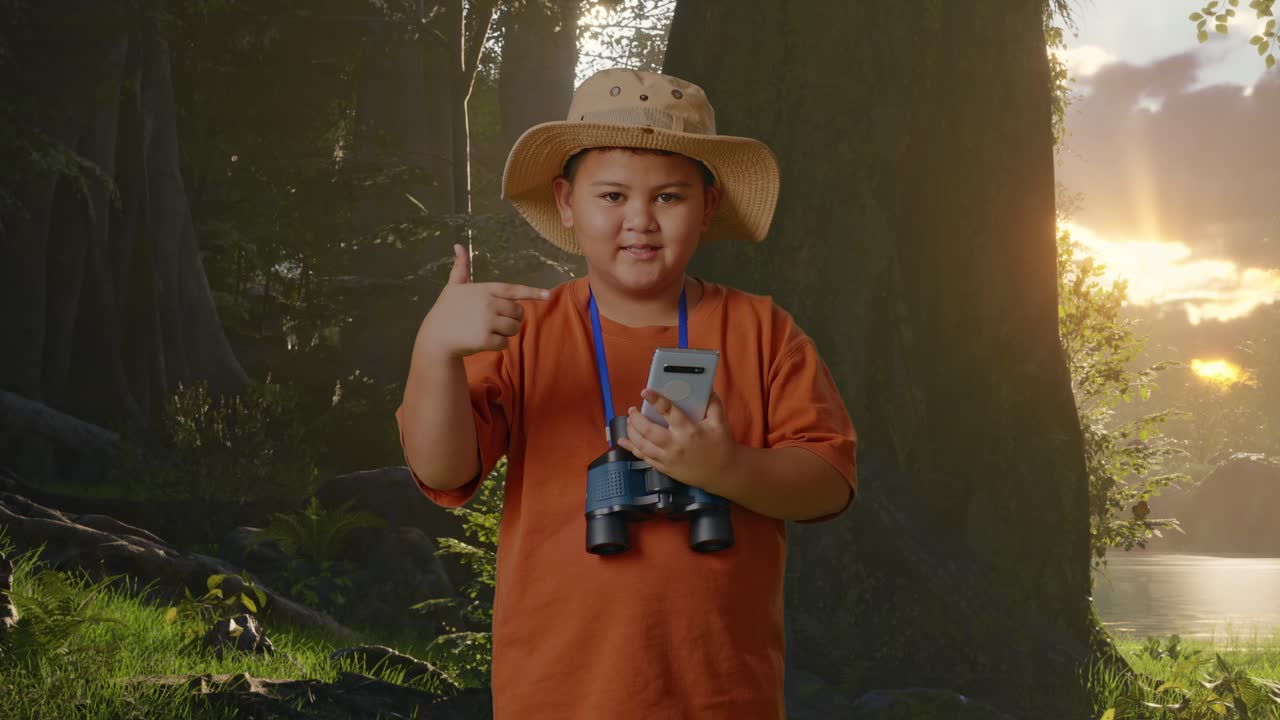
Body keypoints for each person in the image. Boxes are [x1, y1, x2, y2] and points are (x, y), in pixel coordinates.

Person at [395, 68, 857, 720]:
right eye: (611, 196)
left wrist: (726, 470)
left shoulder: (764, 331)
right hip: (558, 697)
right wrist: (435, 350)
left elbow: (830, 479)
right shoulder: (529, 331)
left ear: (709, 204)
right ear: (565, 202)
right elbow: (442, 469)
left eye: (668, 197)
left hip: (723, 699)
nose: (639, 220)